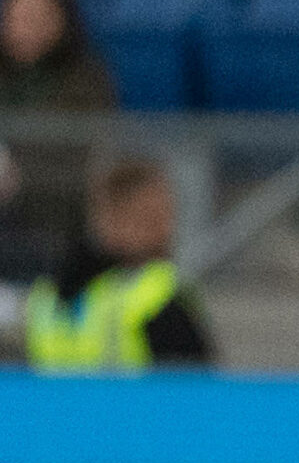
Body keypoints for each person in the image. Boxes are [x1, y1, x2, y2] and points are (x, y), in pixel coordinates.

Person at [24, 156, 213, 371]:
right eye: (152, 217)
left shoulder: (45, 293)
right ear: (111, 218)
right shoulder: (158, 296)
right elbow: (195, 393)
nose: (167, 229)